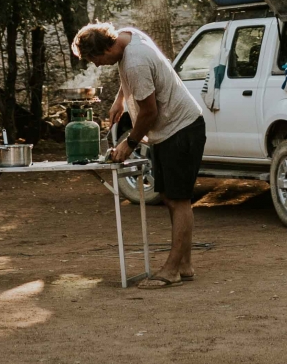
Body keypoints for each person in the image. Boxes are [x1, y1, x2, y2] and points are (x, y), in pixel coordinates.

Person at [71, 21, 206, 289]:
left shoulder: (135, 63)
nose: (96, 65)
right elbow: (132, 77)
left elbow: (149, 113)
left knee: (179, 200)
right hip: (171, 131)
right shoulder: (128, 36)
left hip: (181, 129)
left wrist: (128, 144)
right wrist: (120, 98)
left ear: (105, 49)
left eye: (95, 59)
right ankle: (185, 264)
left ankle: (171, 271)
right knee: (169, 197)